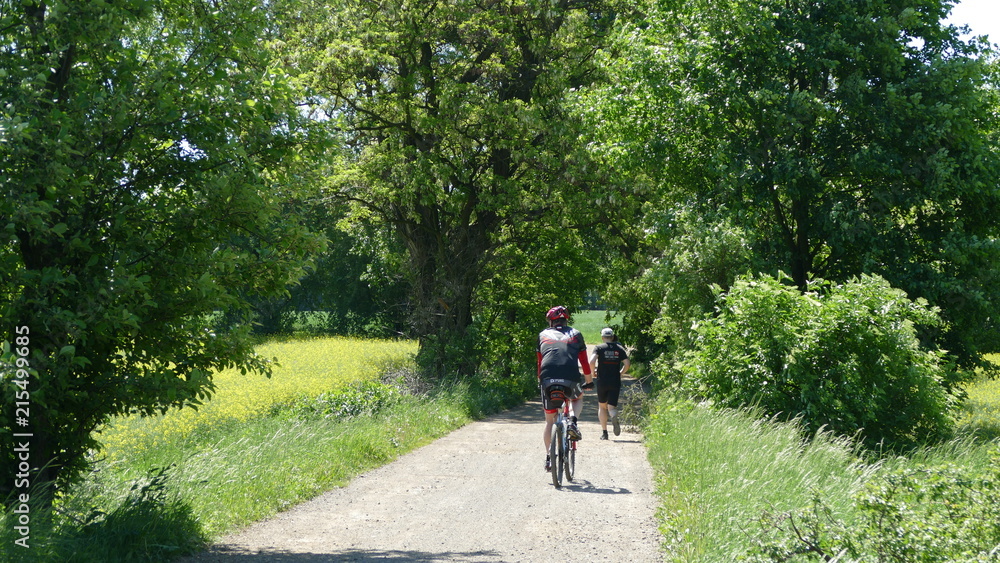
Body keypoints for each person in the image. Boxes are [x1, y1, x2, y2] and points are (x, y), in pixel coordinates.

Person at [537, 305, 593, 471]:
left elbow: (539, 361)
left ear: (550, 321)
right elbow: (584, 361)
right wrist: (589, 381)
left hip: (547, 378)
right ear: (566, 319)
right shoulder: (576, 334)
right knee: (577, 398)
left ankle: (549, 457)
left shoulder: (542, 335)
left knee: (549, 421)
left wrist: (540, 381)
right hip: (570, 377)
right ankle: (573, 423)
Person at [589, 327, 630, 440]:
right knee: (611, 407)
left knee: (602, 407)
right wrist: (621, 373)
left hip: (602, 381)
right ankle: (613, 415)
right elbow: (627, 364)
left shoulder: (599, 348)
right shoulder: (619, 349)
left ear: (602, 337)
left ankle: (604, 433)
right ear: (612, 337)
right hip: (615, 381)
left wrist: (593, 373)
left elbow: (592, 361)